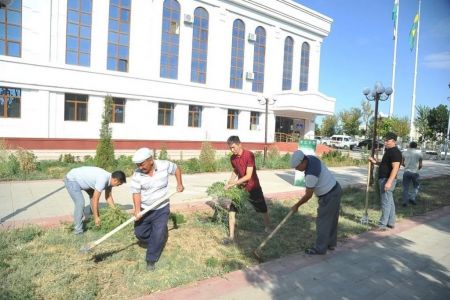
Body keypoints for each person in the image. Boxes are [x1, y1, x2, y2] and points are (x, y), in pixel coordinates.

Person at [130, 147, 184, 272]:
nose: (140, 167)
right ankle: (156, 240)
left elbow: (176, 169)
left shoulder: (164, 165)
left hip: (161, 207)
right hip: (145, 208)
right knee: (140, 233)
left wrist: (179, 183)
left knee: (158, 232)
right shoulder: (137, 174)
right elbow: (136, 193)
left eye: (142, 164)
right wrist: (137, 210)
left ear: (151, 161)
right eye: (138, 165)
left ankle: (151, 259)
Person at [290, 149, 342, 255]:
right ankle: (331, 244)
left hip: (329, 195)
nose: (296, 169)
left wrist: (297, 205)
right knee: (332, 219)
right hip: (336, 189)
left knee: (322, 221)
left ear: (303, 162)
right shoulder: (311, 158)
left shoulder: (311, 174)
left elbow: (308, 195)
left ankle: (320, 248)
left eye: (297, 167)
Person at [223, 136, 272, 244]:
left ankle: (268, 227)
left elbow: (248, 176)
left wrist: (234, 184)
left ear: (240, 144)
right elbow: (236, 170)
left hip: (253, 186)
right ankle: (231, 237)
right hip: (240, 188)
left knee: (262, 209)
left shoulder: (249, 155)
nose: (232, 150)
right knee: (232, 210)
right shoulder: (233, 158)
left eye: (233, 147)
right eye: (230, 148)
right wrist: (229, 182)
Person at [64, 166, 126, 234]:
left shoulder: (110, 180)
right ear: (115, 180)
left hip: (84, 180)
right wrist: (96, 217)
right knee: (80, 203)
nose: (118, 186)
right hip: (72, 180)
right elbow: (95, 200)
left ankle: (93, 221)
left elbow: (108, 197)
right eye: (118, 184)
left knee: (92, 196)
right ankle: (78, 230)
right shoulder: (103, 180)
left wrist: (115, 211)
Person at [369, 132, 402, 230]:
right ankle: (391, 222)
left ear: (394, 141)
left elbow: (395, 168)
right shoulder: (389, 151)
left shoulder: (395, 152)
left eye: (387, 140)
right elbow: (385, 164)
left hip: (387, 180)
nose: (385, 142)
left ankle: (382, 224)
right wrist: (375, 162)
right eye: (385, 140)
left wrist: (389, 182)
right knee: (389, 202)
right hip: (384, 179)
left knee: (385, 203)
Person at [401, 141, 423, 206]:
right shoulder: (419, 153)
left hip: (406, 172)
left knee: (405, 187)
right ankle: (412, 198)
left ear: (409, 146)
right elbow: (421, 165)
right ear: (416, 146)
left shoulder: (404, 153)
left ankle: (405, 202)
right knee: (416, 186)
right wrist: (417, 169)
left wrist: (407, 167)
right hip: (415, 172)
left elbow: (402, 163)